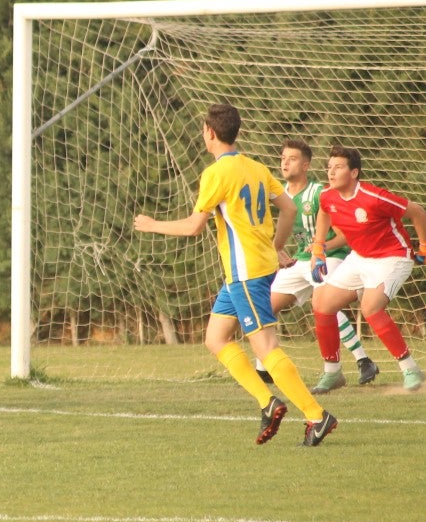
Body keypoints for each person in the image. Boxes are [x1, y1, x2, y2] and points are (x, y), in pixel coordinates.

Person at [134, 104, 336, 446]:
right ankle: (268, 402)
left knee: (266, 347)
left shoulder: (216, 174)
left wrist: (152, 225)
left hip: (247, 273)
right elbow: (287, 208)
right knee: (215, 338)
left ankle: (317, 415)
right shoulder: (255, 167)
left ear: (210, 133)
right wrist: (276, 245)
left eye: (203, 130)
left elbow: (194, 226)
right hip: (247, 270)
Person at [254, 139, 379, 392]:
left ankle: (363, 360)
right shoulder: (281, 196)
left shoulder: (320, 193)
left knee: (324, 304)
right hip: (301, 261)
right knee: (263, 306)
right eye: (282, 158)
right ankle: (263, 369)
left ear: (306, 164)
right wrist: (279, 251)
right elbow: (277, 233)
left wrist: (321, 249)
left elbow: (344, 235)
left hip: (330, 256)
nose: (285, 162)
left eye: (292, 158)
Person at [310, 145, 426, 392]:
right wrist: (318, 248)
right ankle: (333, 373)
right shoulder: (328, 196)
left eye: (338, 167)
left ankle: (410, 368)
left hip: (393, 257)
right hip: (360, 256)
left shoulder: (373, 197)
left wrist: (423, 246)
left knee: (370, 307)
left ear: (354, 173)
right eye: (329, 167)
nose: (331, 172)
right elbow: (323, 212)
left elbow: (417, 211)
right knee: (321, 302)